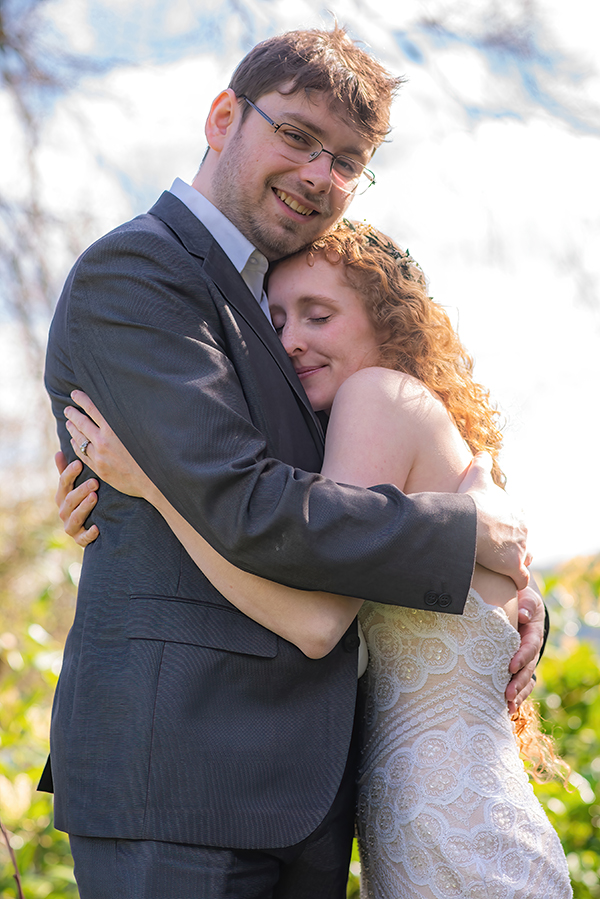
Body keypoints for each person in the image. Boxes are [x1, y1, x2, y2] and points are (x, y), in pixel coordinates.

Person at [44, 25, 542, 898]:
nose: (320, 174)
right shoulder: (139, 271)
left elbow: (336, 494)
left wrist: (509, 592)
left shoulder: (277, 306)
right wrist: (461, 532)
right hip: (180, 782)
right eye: (299, 135)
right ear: (222, 118)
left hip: (315, 801)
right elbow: (244, 500)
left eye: (347, 161)